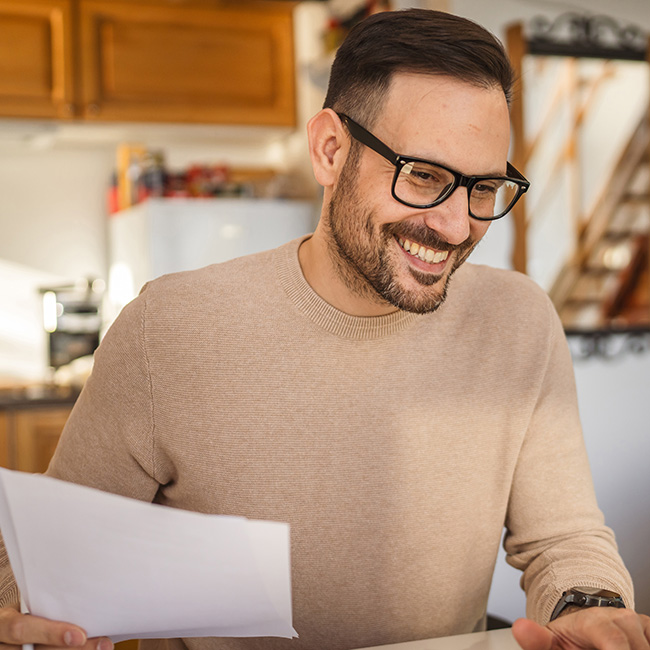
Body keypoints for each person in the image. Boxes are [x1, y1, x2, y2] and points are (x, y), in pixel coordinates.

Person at [0, 8, 648, 650]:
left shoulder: (519, 320)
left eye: (483, 188)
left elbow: (563, 539)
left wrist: (589, 606)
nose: (456, 226)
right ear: (330, 150)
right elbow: (44, 574)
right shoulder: (167, 329)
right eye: (423, 176)